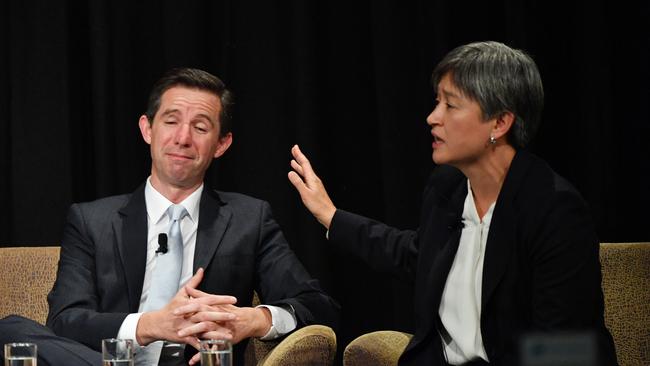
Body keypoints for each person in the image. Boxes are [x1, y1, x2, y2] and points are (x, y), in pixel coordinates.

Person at [288, 41, 617, 365]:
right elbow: (415, 254)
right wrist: (330, 215)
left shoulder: (554, 210)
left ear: (500, 123)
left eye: (451, 105)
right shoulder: (448, 187)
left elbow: (562, 348)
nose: (432, 118)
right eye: (436, 103)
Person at [1, 68, 339, 366]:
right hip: (110, 362)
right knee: (10, 328)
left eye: (201, 127)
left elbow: (318, 306)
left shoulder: (249, 219)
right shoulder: (92, 221)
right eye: (171, 121)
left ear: (221, 144)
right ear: (148, 129)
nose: (182, 138)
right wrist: (153, 325)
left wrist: (255, 320)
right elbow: (65, 321)